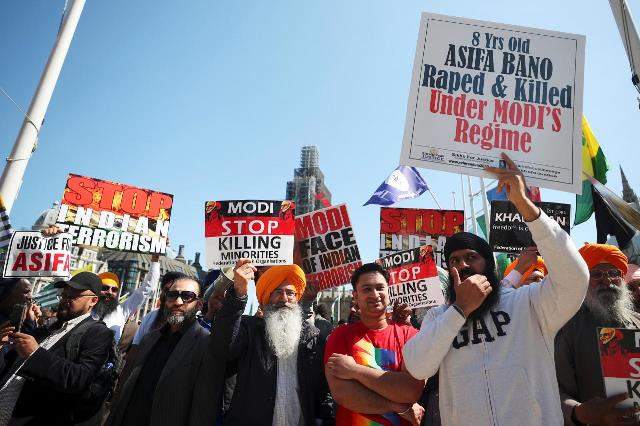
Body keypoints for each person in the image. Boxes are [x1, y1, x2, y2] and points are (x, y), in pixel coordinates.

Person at [402, 153, 589, 425]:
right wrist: (460, 310)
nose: (462, 265)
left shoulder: (529, 303)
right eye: (454, 260)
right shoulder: (438, 318)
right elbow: (418, 366)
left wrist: (525, 206)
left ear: (488, 266)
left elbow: (575, 279)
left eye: (471, 257)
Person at [213, 259, 332, 425]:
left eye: (290, 293)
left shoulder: (314, 338)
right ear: (266, 298)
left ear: (297, 298)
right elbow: (222, 347)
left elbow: (323, 389)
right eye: (277, 292)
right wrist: (238, 295)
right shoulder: (250, 330)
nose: (284, 298)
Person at [0, 272, 113, 425]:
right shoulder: (46, 329)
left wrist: (35, 354)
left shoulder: (97, 333)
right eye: (64, 295)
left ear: (93, 301)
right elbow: (8, 367)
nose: (65, 301)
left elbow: (79, 378)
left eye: (72, 297)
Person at [324, 262, 426, 426]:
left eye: (380, 287)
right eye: (366, 289)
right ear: (355, 296)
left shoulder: (410, 335)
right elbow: (343, 393)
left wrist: (354, 371)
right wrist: (397, 406)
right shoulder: (340, 336)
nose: (375, 294)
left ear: (388, 292)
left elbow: (411, 390)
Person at [105, 275, 212, 426]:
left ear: (199, 304)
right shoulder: (150, 338)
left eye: (187, 296)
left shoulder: (205, 343)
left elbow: (203, 406)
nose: (178, 302)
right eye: (172, 295)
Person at [555, 243, 640, 425]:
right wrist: (579, 412)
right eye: (597, 274)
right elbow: (551, 390)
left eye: (614, 273)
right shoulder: (565, 327)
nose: (608, 280)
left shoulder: (637, 321)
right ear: (582, 278)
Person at [94, 255, 160, 343]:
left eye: (114, 289)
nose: (109, 292)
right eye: (105, 287)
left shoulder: (121, 310)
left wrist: (155, 259)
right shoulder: (85, 308)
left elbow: (148, 288)